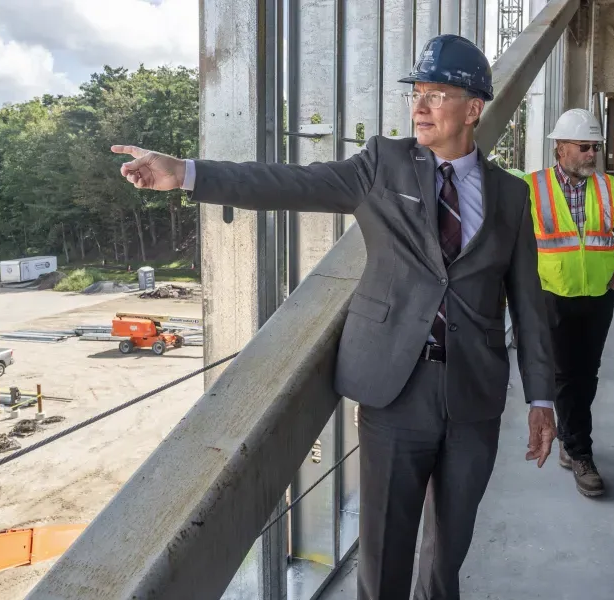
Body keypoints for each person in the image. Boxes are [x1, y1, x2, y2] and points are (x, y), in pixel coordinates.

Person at [111, 34, 557, 600]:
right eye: (415, 94)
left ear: (473, 108)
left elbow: (529, 302)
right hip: (396, 390)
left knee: (450, 549)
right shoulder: (383, 166)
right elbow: (289, 183)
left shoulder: (511, 196)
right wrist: (188, 173)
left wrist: (542, 399)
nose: (418, 108)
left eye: (436, 95)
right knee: (384, 551)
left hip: (474, 394)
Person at [515, 108, 614, 497]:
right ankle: (579, 451)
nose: (591, 154)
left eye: (595, 147)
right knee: (568, 374)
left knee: (587, 372)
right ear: (560, 148)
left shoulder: (606, 187)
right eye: (584, 147)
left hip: (598, 297)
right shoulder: (533, 188)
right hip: (553, 295)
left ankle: (570, 438)